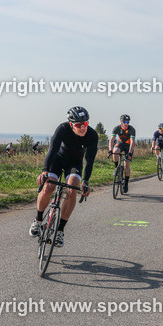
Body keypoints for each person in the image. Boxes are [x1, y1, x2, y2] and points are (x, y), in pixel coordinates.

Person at [30, 106, 98, 248]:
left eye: (85, 123)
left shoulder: (92, 135)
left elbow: (89, 160)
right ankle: (38, 220)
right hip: (57, 159)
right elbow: (52, 149)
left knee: (72, 189)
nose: (83, 127)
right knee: (49, 186)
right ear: (71, 124)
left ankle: (60, 231)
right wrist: (44, 171)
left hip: (74, 164)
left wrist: (85, 181)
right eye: (79, 125)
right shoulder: (62, 129)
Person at [109, 114, 136, 193]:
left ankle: (126, 184)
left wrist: (130, 153)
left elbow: (132, 142)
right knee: (115, 152)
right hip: (120, 143)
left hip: (128, 146)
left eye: (127, 122)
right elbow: (112, 139)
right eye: (124, 121)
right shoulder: (117, 128)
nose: (126, 123)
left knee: (126, 164)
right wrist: (110, 150)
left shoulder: (132, 129)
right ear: (121, 121)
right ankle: (117, 167)